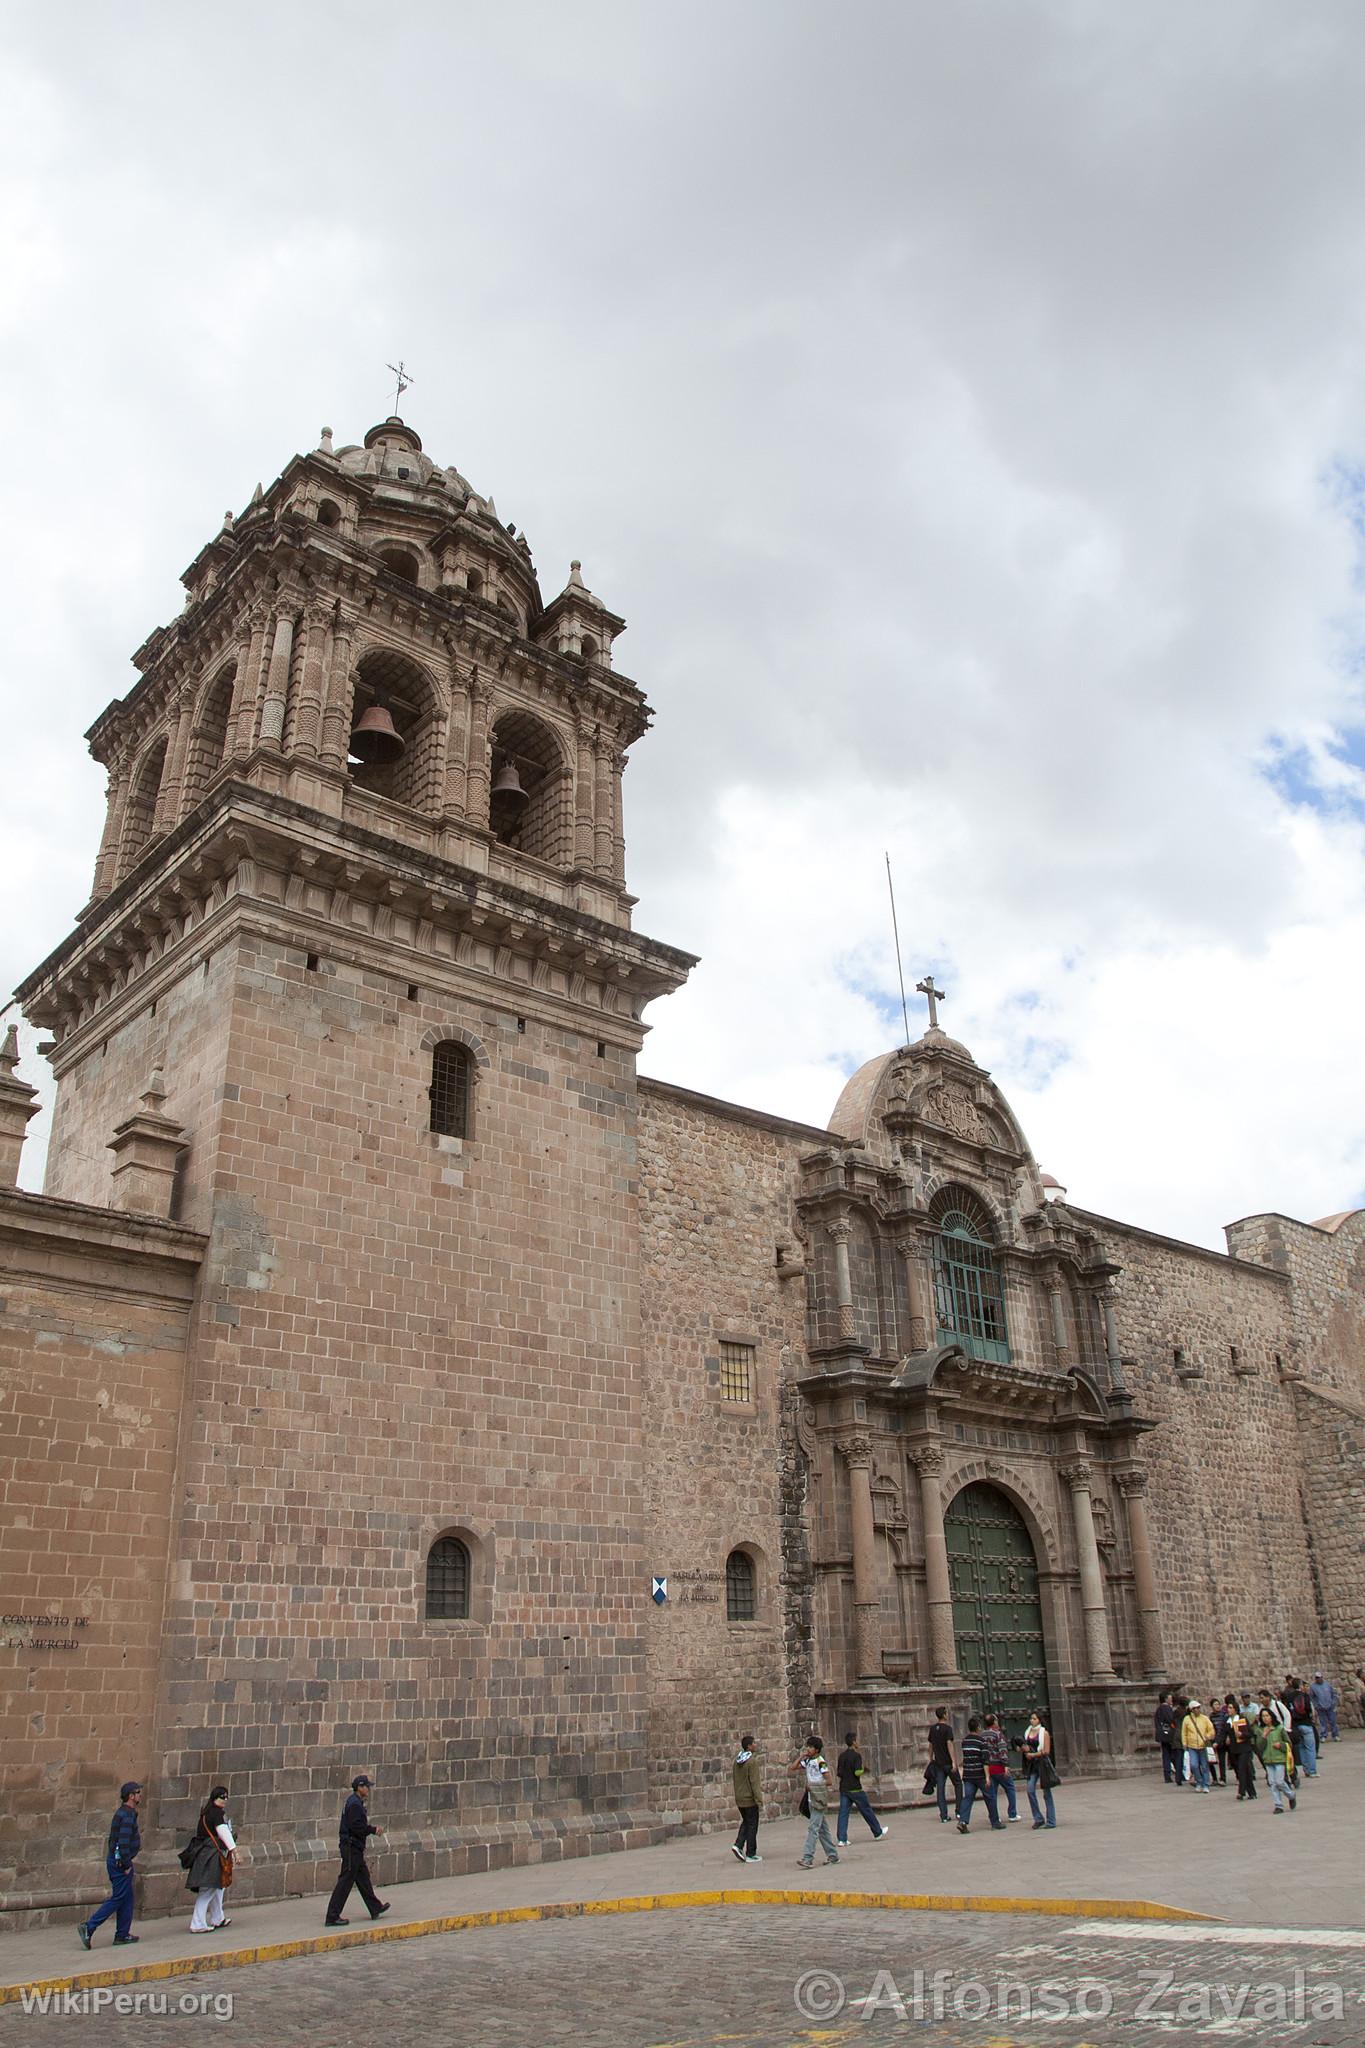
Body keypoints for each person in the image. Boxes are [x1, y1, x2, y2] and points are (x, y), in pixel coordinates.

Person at [78, 1782, 143, 1949]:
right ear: (131, 1796)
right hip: (120, 1863)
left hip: (118, 1861)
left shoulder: (125, 1813)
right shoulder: (127, 1815)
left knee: (127, 1898)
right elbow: (122, 1842)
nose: (140, 1795)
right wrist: (126, 1863)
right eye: (138, 1792)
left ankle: (122, 1934)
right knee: (119, 1897)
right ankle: (89, 1926)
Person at [324, 1775, 391, 1926]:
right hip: (351, 1847)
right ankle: (332, 1916)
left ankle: (375, 1907)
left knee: (363, 1878)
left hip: (354, 1848)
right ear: (360, 1788)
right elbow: (357, 1827)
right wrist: (374, 1829)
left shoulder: (354, 1802)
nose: (368, 1789)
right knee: (345, 1882)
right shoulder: (354, 1804)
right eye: (366, 1786)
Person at [186, 1785, 234, 1932]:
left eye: (226, 1797)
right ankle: (197, 1923)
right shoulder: (216, 1814)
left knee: (218, 1887)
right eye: (222, 1797)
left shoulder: (207, 1813)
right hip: (211, 1855)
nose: (224, 1800)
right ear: (215, 1798)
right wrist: (235, 1850)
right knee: (208, 1889)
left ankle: (217, 1917)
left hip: (207, 1853)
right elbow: (223, 1832)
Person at [790, 1739, 839, 1868]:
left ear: (817, 1749)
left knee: (813, 1829)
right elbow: (793, 1767)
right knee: (822, 1829)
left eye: (811, 1747)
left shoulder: (820, 1762)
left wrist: (813, 1785)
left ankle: (807, 1857)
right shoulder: (808, 1761)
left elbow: (829, 1781)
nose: (808, 1749)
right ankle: (833, 1855)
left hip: (818, 1797)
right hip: (811, 1798)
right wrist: (801, 1756)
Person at [835, 1731, 888, 1848]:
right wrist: (863, 1768)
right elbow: (857, 1772)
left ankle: (842, 1839)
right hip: (855, 1789)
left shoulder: (841, 1756)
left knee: (843, 1813)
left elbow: (839, 1773)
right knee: (866, 1810)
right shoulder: (856, 1756)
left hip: (844, 1788)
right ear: (854, 1742)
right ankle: (877, 1831)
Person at [956, 1717, 1004, 1834]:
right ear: (978, 1727)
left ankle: (963, 1821)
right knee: (990, 1797)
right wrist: (987, 1777)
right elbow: (985, 1761)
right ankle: (995, 1822)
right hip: (980, 1774)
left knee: (967, 1798)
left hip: (968, 1775)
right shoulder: (982, 1742)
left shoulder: (965, 1741)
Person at [1256, 1708, 1297, 1814]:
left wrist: (1281, 1745)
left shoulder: (1279, 1728)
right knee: (1273, 1783)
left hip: (1279, 1759)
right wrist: (1264, 1736)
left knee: (1279, 1781)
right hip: (1268, 1760)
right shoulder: (1261, 1730)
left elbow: (1288, 1743)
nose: (1265, 1718)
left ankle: (1291, 1795)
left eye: (1267, 1716)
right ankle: (1278, 1805)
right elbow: (1259, 1747)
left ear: (1271, 1716)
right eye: (1263, 1716)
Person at [731, 1734, 763, 1864]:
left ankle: (738, 1845)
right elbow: (754, 1782)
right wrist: (759, 1799)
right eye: (754, 1743)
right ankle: (751, 1853)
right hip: (749, 1798)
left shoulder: (737, 1761)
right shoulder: (751, 1762)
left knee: (747, 1822)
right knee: (752, 1825)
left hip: (739, 1798)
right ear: (749, 1746)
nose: (756, 1745)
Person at [1020, 1711, 1056, 1828]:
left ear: (1039, 1720)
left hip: (1042, 1764)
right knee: (1030, 1790)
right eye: (1031, 1718)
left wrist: (1033, 1754)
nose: (1032, 1720)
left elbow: (1046, 1751)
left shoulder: (1044, 1733)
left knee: (1046, 1792)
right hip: (1032, 1765)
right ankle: (1038, 1818)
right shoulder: (1027, 1732)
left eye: (1034, 1719)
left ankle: (1051, 1820)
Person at [926, 1707, 961, 1824]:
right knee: (958, 1784)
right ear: (944, 1715)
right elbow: (949, 1744)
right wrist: (954, 1761)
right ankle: (959, 1810)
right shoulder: (948, 1729)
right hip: (948, 1763)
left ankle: (944, 1815)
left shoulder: (933, 1729)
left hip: (938, 1763)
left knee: (940, 1789)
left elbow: (930, 1745)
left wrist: (930, 1758)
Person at [983, 1714, 1019, 1820]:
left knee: (992, 1793)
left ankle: (994, 1816)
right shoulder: (998, 1734)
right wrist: (1006, 1765)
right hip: (999, 1766)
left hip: (988, 1767)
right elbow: (1002, 1750)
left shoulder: (982, 1735)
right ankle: (1012, 1814)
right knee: (1010, 1788)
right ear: (994, 1722)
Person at [1282, 1676, 1318, 1777]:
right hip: (1306, 1723)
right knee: (1310, 1748)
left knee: (1301, 1747)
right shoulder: (1304, 1696)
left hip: (1295, 1725)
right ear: (1300, 1685)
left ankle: (1305, 1769)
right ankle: (1312, 1771)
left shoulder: (1288, 1697)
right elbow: (1309, 1709)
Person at [1180, 1699, 1215, 1792]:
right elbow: (1184, 1732)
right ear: (1191, 1709)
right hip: (1192, 1746)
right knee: (1194, 1765)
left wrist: (1207, 1736)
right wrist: (1184, 1743)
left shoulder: (1204, 1718)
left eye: (1198, 1708)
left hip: (1203, 1745)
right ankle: (1199, 1782)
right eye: (1195, 1708)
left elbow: (1211, 1729)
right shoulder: (1187, 1719)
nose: (1197, 1710)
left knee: (1204, 1766)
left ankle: (1206, 1784)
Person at [1226, 1706, 1258, 1801]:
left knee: (1242, 1769)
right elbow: (1223, 1733)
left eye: (1231, 1708)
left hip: (1244, 1748)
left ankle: (1241, 1792)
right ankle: (1252, 1792)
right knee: (1246, 1771)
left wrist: (1242, 1735)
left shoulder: (1241, 1719)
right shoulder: (1227, 1721)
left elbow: (1250, 1733)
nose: (1229, 1709)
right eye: (1228, 1708)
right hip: (1234, 1750)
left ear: (1235, 1710)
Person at [1154, 1692, 1180, 1786]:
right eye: (1169, 1697)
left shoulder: (1158, 1709)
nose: (1171, 1699)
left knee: (1166, 1754)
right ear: (1165, 1699)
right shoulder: (1166, 1709)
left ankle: (1167, 1774)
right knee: (1173, 1754)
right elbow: (1171, 1720)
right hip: (1169, 1734)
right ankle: (1177, 1773)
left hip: (1162, 1734)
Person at [1309, 1674, 1339, 1742]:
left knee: (1333, 1721)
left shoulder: (1327, 1685)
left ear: (1322, 1677)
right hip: (1320, 1708)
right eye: (1317, 1678)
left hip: (1330, 1706)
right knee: (1323, 1723)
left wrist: (1333, 1703)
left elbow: (1333, 1693)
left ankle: (1335, 1735)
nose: (1318, 1679)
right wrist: (1316, 1705)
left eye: (1319, 1677)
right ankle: (1323, 1735)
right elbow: (1311, 1697)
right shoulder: (1313, 1687)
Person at [1209, 1698, 1230, 1786]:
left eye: (1218, 1704)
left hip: (1225, 1739)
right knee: (1220, 1760)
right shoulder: (1211, 1717)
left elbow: (1227, 1727)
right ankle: (1222, 1779)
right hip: (1217, 1740)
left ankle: (1238, 1776)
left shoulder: (1225, 1715)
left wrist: (1228, 1736)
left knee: (1232, 1759)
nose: (1217, 1706)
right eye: (1215, 1704)